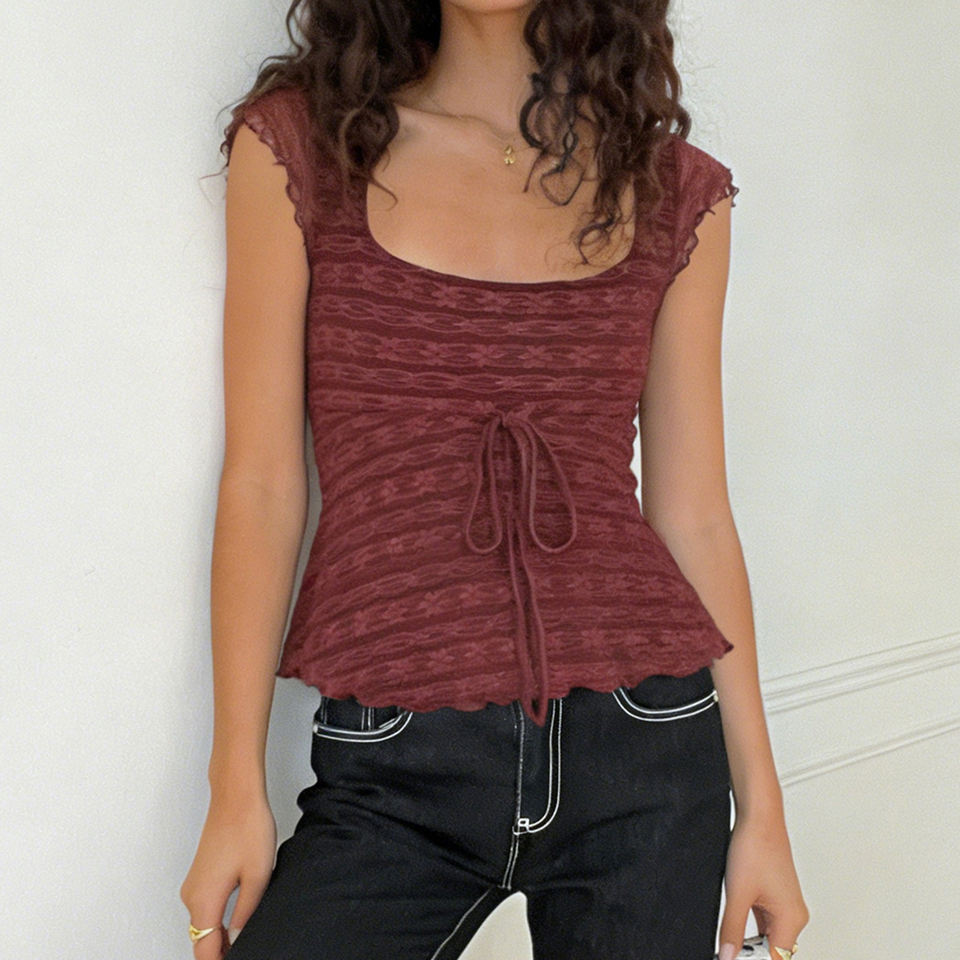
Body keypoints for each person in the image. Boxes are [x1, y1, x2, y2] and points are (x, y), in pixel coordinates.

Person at [180, 1, 810, 958]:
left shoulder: (672, 189)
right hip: (395, 763)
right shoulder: (304, 150)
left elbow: (694, 517)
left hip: (645, 750)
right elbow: (263, 486)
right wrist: (235, 787)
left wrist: (763, 808)